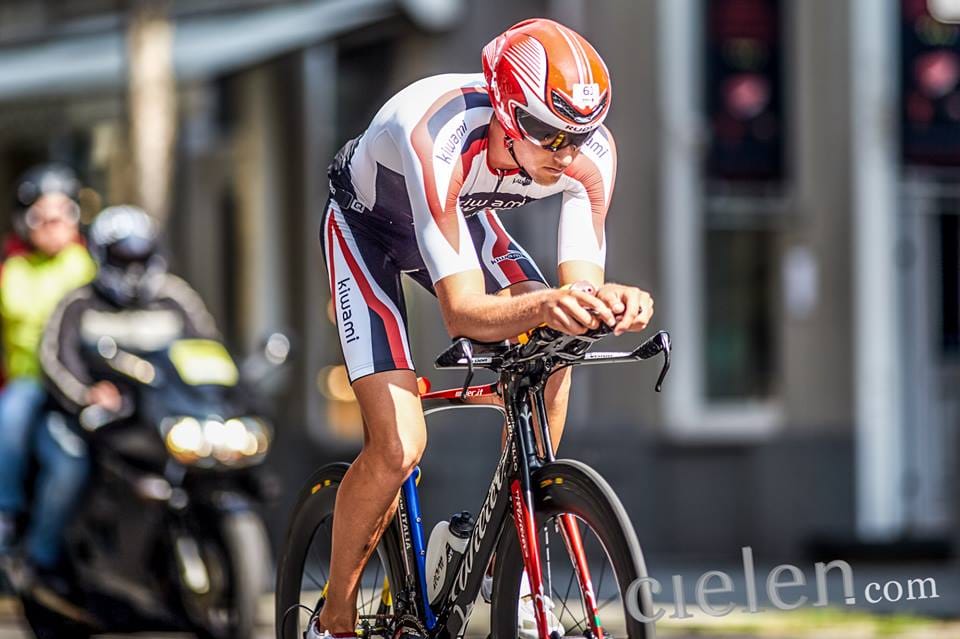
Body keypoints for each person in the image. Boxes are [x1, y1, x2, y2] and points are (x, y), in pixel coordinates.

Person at [311, 18, 654, 639]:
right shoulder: (435, 129)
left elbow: (574, 293)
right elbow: (463, 313)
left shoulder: (588, 153)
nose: (567, 155)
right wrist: (549, 305)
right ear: (504, 111)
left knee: (556, 348)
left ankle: (504, 570)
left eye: (580, 135)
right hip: (368, 233)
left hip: (464, 220)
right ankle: (334, 617)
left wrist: (608, 303)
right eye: (550, 136)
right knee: (399, 447)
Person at [35, 205, 219, 582]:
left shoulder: (177, 298)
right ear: (102, 256)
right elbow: (55, 357)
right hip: (98, 425)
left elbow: (208, 351)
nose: (133, 268)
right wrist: (87, 394)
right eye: (123, 258)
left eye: (141, 256)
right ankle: (42, 563)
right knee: (68, 467)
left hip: (164, 422)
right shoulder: (80, 302)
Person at [0, 164, 96, 568]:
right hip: (32, 381)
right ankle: (8, 513)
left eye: (63, 215)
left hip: (81, 382)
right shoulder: (15, 269)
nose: (54, 226)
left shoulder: (86, 264)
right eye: (44, 217)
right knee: (12, 417)